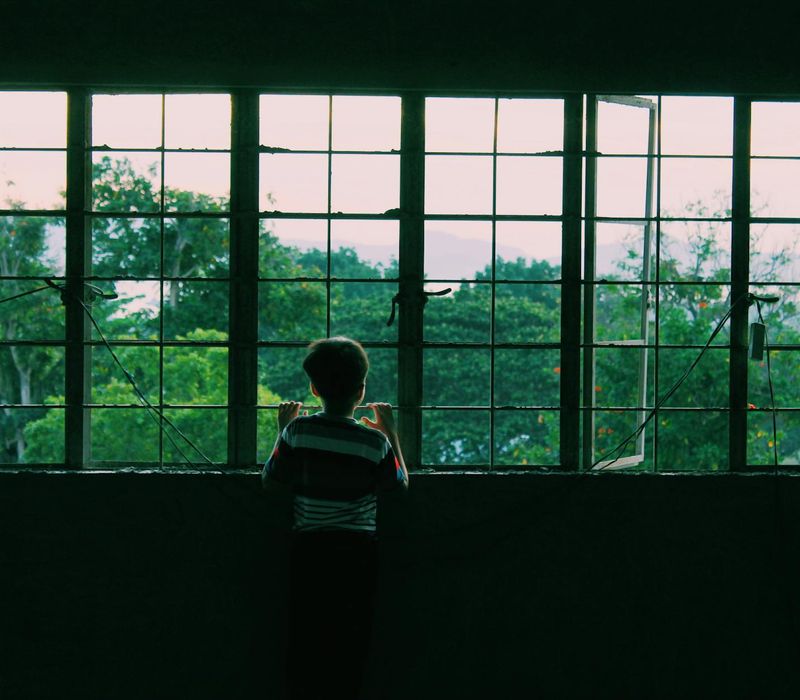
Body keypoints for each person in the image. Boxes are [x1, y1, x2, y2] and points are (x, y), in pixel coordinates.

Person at [261, 336, 409, 700]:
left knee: (305, 637)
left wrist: (283, 428)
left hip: (309, 551)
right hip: (357, 554)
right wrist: (390, 431)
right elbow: (399, 485)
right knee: (350, 641)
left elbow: (271, 479)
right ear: (361, 391)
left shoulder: (298, 431)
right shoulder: (373, 443)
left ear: (314, 388)